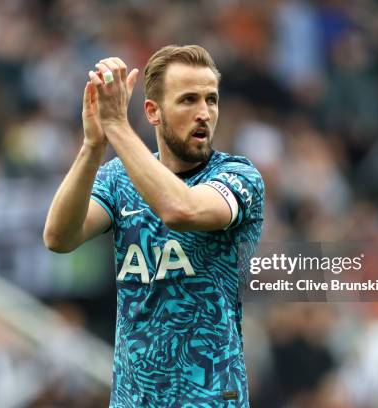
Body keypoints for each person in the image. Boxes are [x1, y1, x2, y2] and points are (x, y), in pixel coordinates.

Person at [43, 45, 264, 407]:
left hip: (211, 398)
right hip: (134, 400)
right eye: (188, 100)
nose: (204, 113)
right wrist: (93, 145)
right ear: (153, 112)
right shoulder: (117, 179)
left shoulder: (238, 176)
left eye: (211, 99)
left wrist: (117, 126)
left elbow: (181, 209)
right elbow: (58, 237)